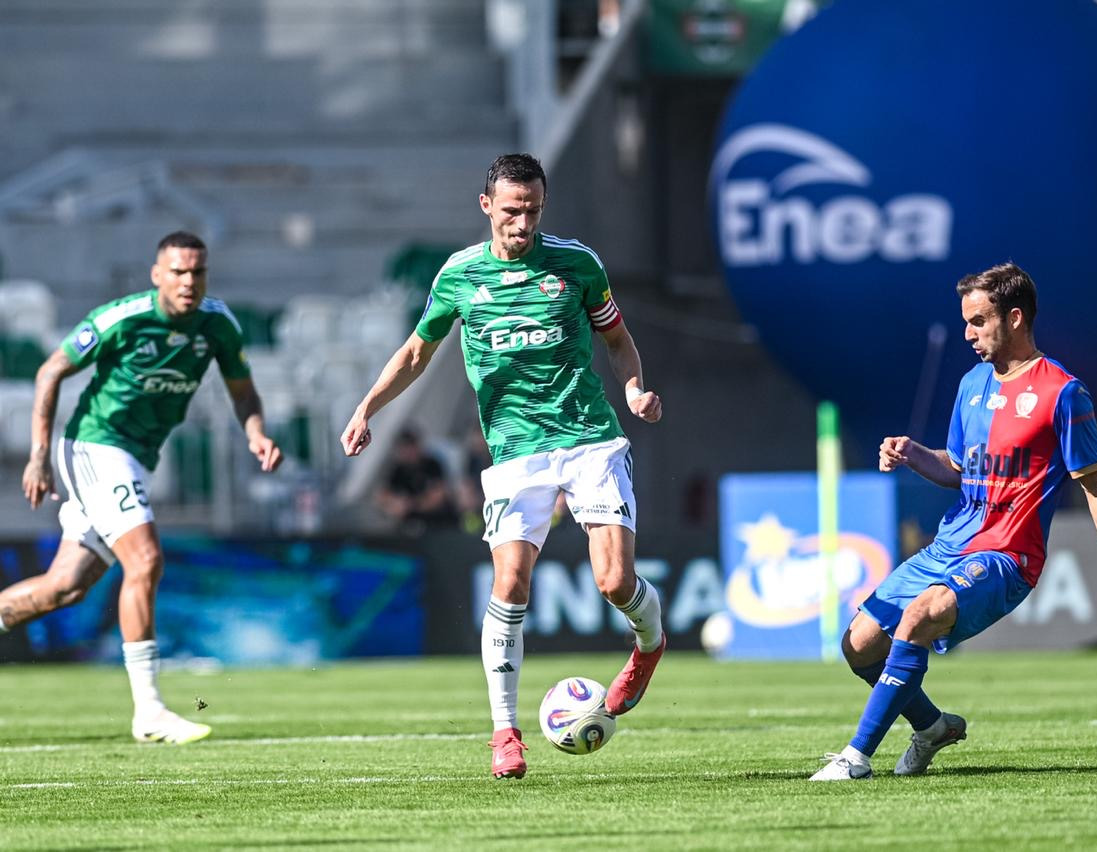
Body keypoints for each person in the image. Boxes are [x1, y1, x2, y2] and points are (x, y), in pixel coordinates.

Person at [341, 153, 666, 780]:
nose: (523, 223)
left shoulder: (577, 264)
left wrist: (633, 390)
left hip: (589, 439)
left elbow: (617, 339)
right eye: (512, 211)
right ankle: (505, 732)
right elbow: (416, 353)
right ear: (487, 206)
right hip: (515, 453)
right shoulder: (460, 275)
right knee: (509, 582)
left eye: (534, 211)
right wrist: (366, 408)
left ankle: (649, 645)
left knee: (612, 582)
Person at [811, 262, 1097, 781]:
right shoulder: (972, 384)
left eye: (978, 322)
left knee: (921, 616)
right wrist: (912, 453)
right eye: (966, 323)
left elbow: (1094, 482)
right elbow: (957, 469)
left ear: (1014, 318)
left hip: (1007, 556)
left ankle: (856, 757)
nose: (968, 334)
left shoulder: (1063, 393)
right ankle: (932, 728)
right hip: (949, 545)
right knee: (859, 644)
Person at [0, 231, 283, 744]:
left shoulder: (218, 324)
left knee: (65, 587)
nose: (189, 282)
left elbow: (243, 391)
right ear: (157, 275)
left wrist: (256, 433)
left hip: (135, 457)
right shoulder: (122, 318)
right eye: (178, 272)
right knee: (146, 560)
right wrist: (38, 456)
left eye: (197, 272)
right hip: (95, 445)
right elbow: (50, 371)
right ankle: (149, 710)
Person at [375, 428, 459, 533]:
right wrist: (393, 503)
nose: (408, 453)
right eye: (404, 450)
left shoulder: (432, 464)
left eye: (410, 448)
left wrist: (410, 505)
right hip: (411, 525)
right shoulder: (398, 470)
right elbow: (382, 496)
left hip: (440, 522)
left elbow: (438, 497)